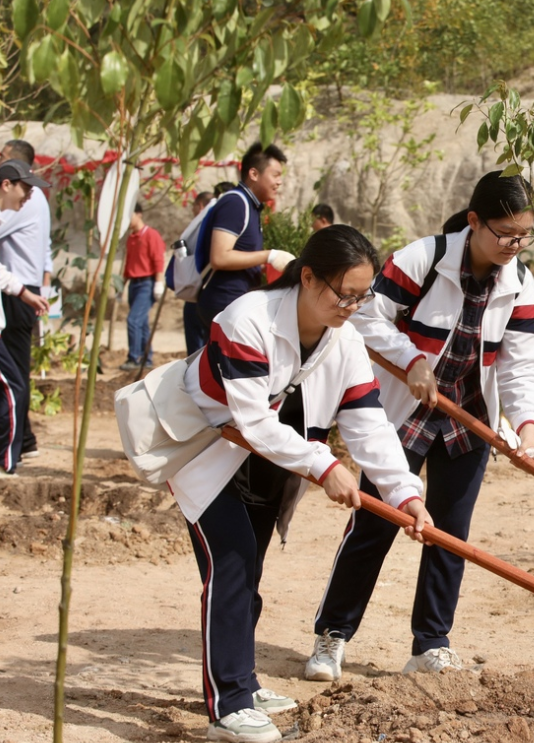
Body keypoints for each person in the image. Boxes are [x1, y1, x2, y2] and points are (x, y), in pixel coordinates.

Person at [167, 225, 432, 743]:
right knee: (233, 565)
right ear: (308, 278)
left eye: (363, 295)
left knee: (249, 572)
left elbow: (369, 425)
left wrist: (405, 493)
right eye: (344, 294)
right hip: (208, 450)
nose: (353, 306)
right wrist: (324, 465)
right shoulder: (247, 320)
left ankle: (242, 679)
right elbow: (251, 422)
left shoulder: (346, 342)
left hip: (269, 465)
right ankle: (228, 705)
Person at [307, 170, 534, 681]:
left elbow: (519, 363)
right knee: (376, 521)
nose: (514, 245)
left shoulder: (521, 283)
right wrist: (411, 358)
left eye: (524, 235)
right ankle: (333, 635)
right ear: (475, 221)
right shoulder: (423, 259)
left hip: (470, 421)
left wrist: (525, 426)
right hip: (406, 413)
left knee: (450, 534)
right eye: (505, 233)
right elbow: (366, 319)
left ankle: (431, 643)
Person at [195, 143, 294, 331]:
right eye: (275, 175)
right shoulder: (235, 203)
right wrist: (269, 256)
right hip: (223, 304)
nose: (279, 182)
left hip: (234, 303)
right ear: (254, 174)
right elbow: (220, 257)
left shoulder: (251, 206)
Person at [0, 139, 54, 459]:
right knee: (15, 373)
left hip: (19, 291)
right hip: (22, 288)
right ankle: (23, 441)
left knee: (15, 375)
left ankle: (15, 447)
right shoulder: (33, 201)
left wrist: (27, 292)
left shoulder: (25, 201)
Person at [177, 183, 236, 355]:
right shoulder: (224, 219)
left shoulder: (210, 218)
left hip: (203, 290)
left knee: (198, 349)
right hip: (212, 291)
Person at [119, 204, 166, 372]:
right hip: (134, 283)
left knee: (133, 320)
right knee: (142, 322)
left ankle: (134, 358)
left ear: (138, 214)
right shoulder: (131, 238)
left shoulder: (151, 235)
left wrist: (158, 283)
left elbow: (158, 260)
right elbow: (128, 264)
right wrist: (121, 286)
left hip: (147, 283)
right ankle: (146, 358)